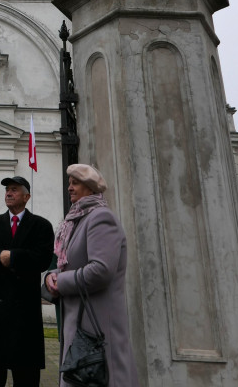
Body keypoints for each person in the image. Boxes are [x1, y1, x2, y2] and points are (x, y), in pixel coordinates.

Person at [44, 164, 139, 387]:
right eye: (69, 183)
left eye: (75, 183)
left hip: (97, 327)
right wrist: (52, 275)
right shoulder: (78, 220)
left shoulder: (100, 218)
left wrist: (62, 281)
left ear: (90, 188)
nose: (69, 188)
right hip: (80, 323)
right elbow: (72, 263)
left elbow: (101, 270)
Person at [0, 175, 54, 387]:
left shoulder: (41, 226)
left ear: (26, 196)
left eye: (14, 189)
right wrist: (0, 257)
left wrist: (14, 257)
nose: (9, 193)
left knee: (26, 375)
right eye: (7, 189)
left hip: (24, 313)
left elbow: (43, 259)